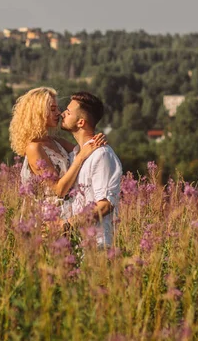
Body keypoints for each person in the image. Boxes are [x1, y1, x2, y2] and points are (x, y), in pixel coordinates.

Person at [9, 87, 106, 210]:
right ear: (38, 113)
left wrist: (97, 141)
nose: (58, 113)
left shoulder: (56, 141)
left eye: (57, 108)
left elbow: (87, 150)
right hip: (45, 217)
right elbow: (58, 190)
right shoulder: (34, 148)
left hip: (66, 212)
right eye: (52, 109)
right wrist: (81, 157)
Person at [60, 92, 123, 247]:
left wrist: (67, 226)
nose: (63, 114)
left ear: (81, 122)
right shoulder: (75, 155)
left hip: (96, 245)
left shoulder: (101, 154)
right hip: (78, 244)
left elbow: (105, 205)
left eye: (68, 112)